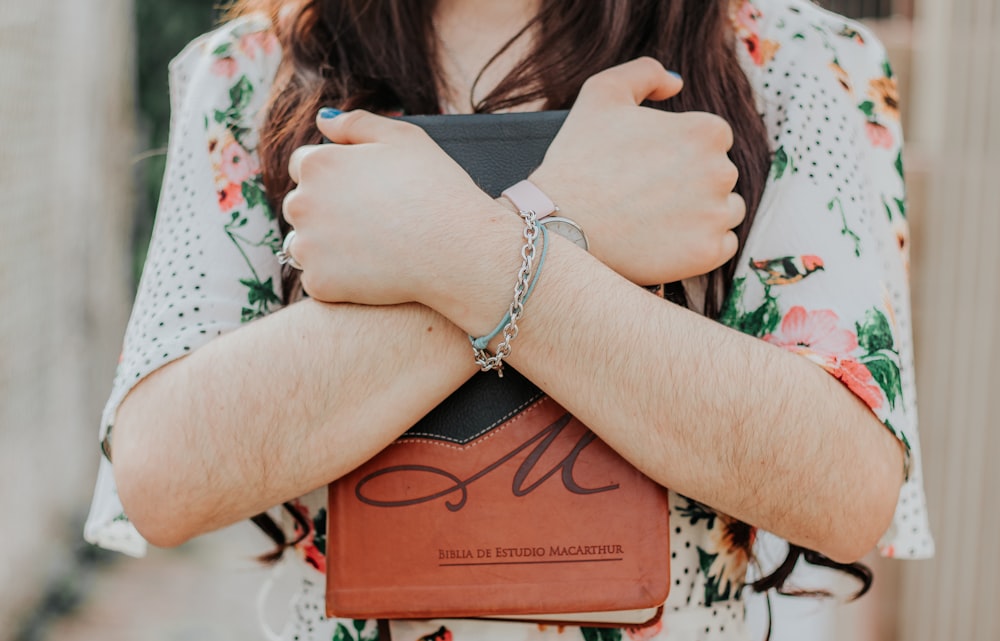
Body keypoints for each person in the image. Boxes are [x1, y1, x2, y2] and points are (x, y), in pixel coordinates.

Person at [85, 0, 934, 639]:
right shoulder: (253, 69)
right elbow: (160, 476)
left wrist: (460, 250)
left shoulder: (794, 62)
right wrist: (565, 217)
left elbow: (846, 486)